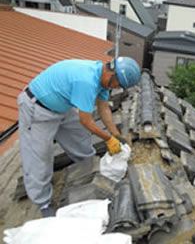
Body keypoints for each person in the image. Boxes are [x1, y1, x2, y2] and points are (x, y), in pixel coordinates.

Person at [17, 57, 141, 217]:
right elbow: (86, 120)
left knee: (80, 138)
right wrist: (108, 139)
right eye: (118, 84)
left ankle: (89, 171)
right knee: (40, 155)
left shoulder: (104, 78)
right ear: (113, 74)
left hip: (62, 107)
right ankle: (43, 202)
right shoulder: (87, 80)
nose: (116, 88)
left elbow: (104, 109)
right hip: (38, 109)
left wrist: (116, 134)